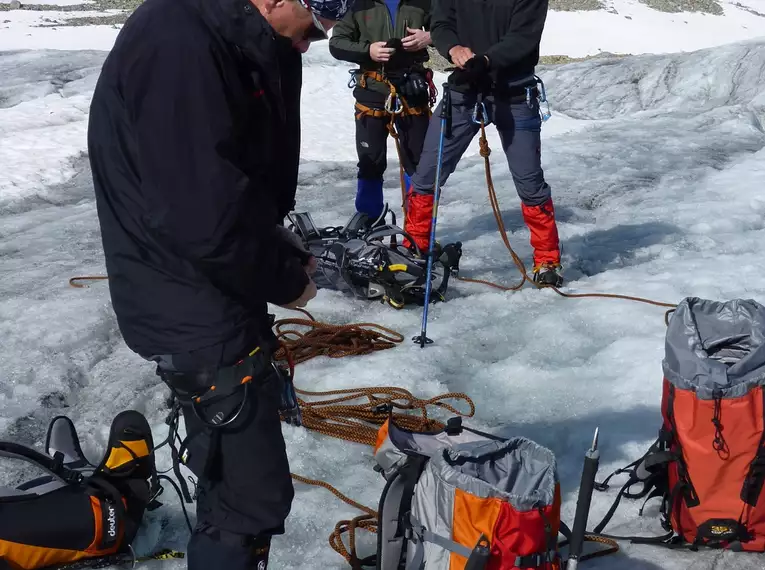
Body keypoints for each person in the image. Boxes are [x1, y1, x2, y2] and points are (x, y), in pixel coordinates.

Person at [86, 0, 353, 568]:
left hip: (208, 286)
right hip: (189, 295)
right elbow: (199, 215)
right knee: (246, 502)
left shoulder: (225, 36)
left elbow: (225, 182)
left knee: (238, 491)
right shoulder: (179, 44)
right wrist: (283, 279)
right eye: (313, 29)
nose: (310, 45)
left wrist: (274, 246)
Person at [403, 0, 564, 287]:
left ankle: (547, 258)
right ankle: (416, 247)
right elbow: (441, 24)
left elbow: (524, 37)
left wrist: (486, 60)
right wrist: (453, 48)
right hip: (464, 91)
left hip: (514, 94)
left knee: (529, 181)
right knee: (427, 174)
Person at [328, 0, 434, 222]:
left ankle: (418, 231)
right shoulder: (359, 4)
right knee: (370, 163)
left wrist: (430, 36)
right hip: (372, 92)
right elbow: (336, 43)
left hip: (412, 91)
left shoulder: (424, 3)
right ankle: (370, 224)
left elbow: (450, 30)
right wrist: (368, 50)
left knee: (418, 164)